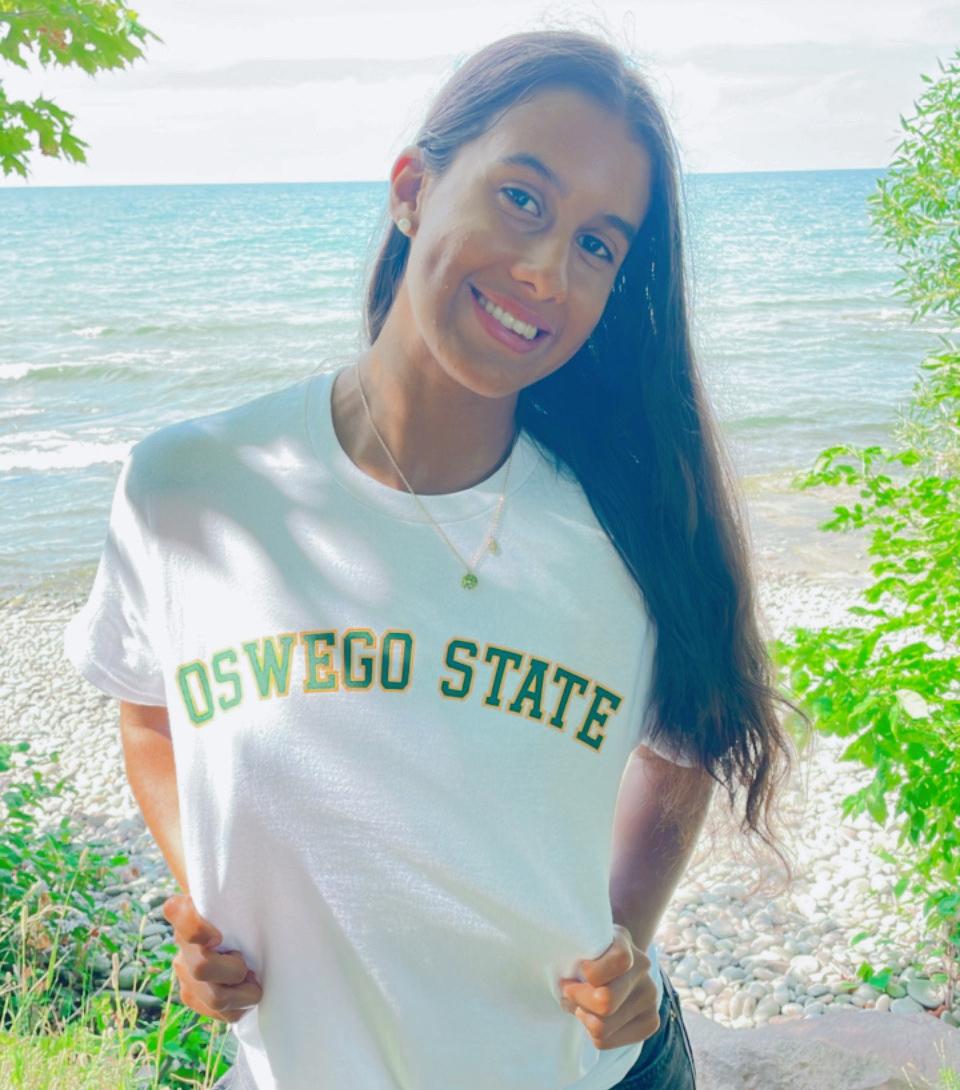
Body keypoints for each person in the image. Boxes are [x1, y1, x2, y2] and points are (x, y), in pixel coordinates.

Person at [63, 26, 804, 1090]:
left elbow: (683, 750)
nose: (549, 269)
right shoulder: (190, 489)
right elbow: (148, 712)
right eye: (523, 199)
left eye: (599, 244)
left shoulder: (632, 527)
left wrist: (625, 939)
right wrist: (206, 902)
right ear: (413, 188)